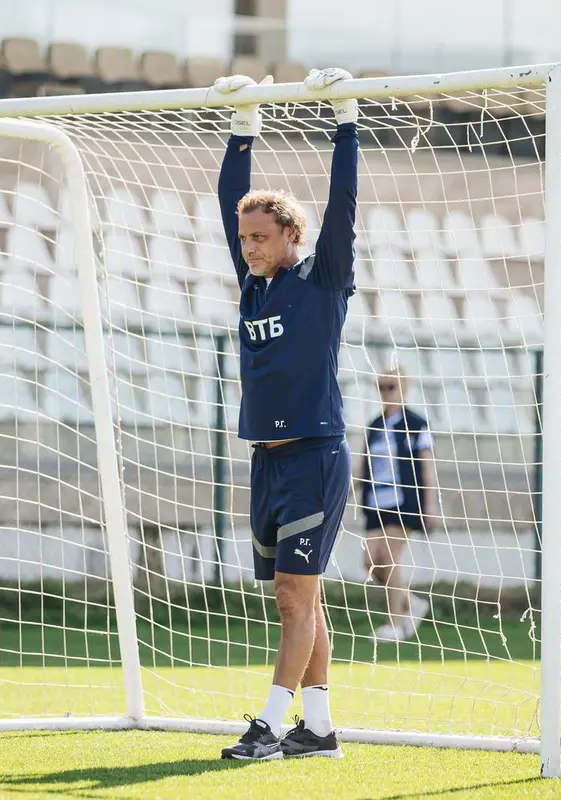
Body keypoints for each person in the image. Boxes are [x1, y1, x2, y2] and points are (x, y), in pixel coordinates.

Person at [213, 67, 358, 761]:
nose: (248, 248)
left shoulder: (321, 276)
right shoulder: (252, 288)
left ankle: (270, 725)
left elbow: (346, 202)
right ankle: (321, 728)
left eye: (259, 238)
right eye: (243, 241)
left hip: (315, 458)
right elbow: (227, 202)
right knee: (299, 601)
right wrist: (244, 127)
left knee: (297, 601)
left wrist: (346, 119)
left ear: (289, 233)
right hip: (266, 464)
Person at [355, 359, 437, 642]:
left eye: (391, 386)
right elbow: (362, 466)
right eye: (380, 387)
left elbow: (426, 466)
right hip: (376, 502)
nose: (385, 392)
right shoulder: (374, 426)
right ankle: (411, 603)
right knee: (370, 562)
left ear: (404, 388)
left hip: (404, 501)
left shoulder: (416, 424)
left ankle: (396, 624)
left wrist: (430, 506)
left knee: (389, 558)